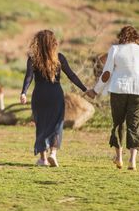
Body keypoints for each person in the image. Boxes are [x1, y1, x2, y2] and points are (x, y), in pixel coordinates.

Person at [86, 25, 139, 170]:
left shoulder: (115, 49)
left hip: (118, 89)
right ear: (136, 37)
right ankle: (132, 160)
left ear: (121, 37)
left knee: (118, 122)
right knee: (135, 124)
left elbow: (106, 74)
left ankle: (119, 158)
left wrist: (95, 91)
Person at [20, 30, 89, 167]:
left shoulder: (33, 59)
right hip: (55, 94)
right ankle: (53, 153)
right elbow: (72, 75)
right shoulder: (59, 58)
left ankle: (43, 159)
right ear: (53, 43)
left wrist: (23, 93)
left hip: (39, 94)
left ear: (37, 43)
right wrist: (85, 89)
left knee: (41, 125)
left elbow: (29, 77)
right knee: (57, 124)